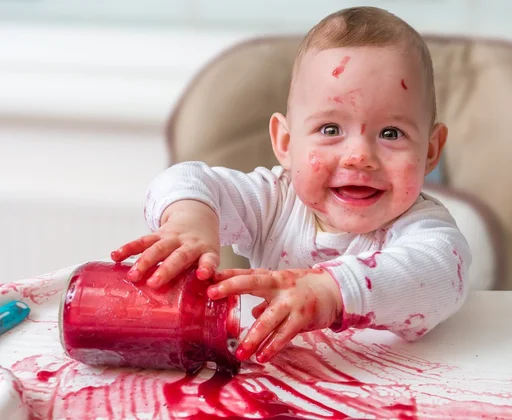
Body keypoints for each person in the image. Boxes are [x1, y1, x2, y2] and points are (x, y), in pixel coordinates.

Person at [111, 6, 471, 365]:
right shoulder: (273, 202)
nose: (359, 156)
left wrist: (330, 292)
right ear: (285, 143)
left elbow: (441, 274)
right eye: (330, 130)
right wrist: (191, 221)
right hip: (282, 386)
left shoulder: (424, 229)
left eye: (391, 133)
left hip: (399, 389)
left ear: (430, 150)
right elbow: (186, 179)